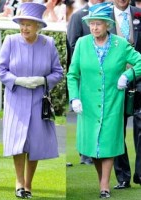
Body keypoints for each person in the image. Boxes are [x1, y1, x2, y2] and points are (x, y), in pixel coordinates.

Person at [67, 2, 141, 198]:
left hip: (112, 101)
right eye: (91, 24)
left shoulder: (120, 44)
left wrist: (128, 75)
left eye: (98, 24)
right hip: (88, 103)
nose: (94, 27)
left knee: (108, 142)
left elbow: (140, 61)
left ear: (108, 25)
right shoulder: (82, 44)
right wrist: (74, 97)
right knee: (92, 146)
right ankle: (103, 180)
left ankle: (105, 185)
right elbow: (72, 74)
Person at [0, 2, 63, 198]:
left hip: (39, 101)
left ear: (38, 26)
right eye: (22, 24)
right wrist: (17, 80)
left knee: (34, 143)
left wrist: (43, 80)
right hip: (16, 99)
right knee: (19, 143)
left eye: (29, 24)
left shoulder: (47, 44)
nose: (24, 28)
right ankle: (19, 182)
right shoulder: (10, 41)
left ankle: (29, 183)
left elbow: (58, 72)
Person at [67, 0, 105, 165]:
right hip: (86, 74)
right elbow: (73, 43)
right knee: (86, 113)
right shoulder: (77, 16)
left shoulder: (107, 14)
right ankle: (85, 153)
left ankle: (100, 151)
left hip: (105, 75)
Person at [111, 0, 141, 190]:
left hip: (140, 77)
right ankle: (122, 177)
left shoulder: (139, 14)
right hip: (115, 83)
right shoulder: (103, 16)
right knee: (116, 131)